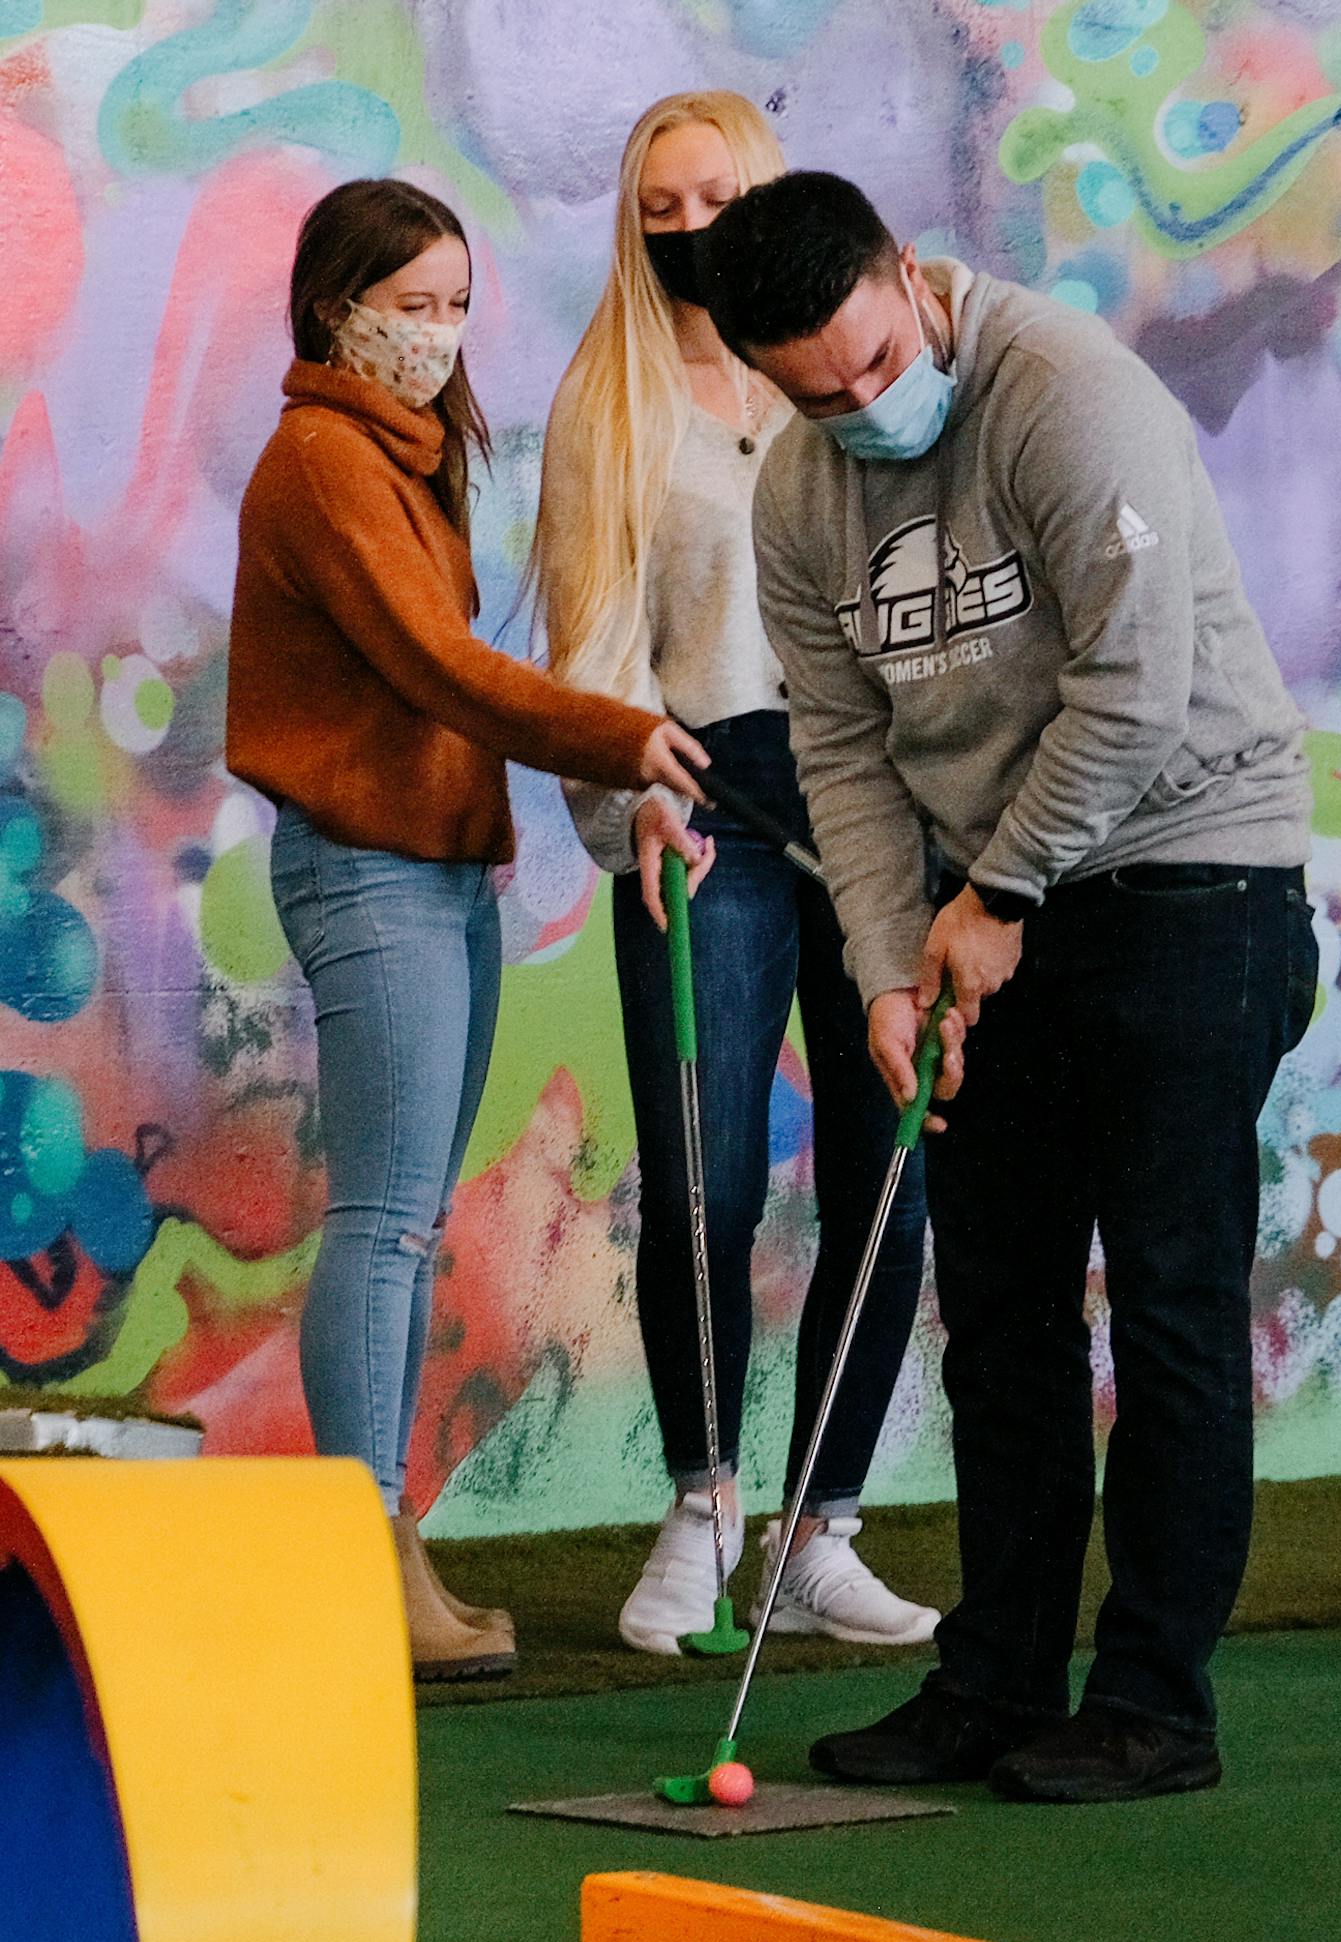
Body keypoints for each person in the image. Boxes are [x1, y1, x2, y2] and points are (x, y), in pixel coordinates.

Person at [698, 171, 1319, 1800]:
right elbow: (838, 747)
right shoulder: (798, 498)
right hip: (989, 907)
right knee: (1005, 1309)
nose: (857, 404)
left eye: (875, 361)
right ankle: (994, 1678)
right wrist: (891, 961)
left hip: (1193, 870)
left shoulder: (1067, 394)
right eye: (812, 391)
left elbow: (1134, 684)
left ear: (912, 276)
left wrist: (999, 894)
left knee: (1171, 1299)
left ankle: (1154, 1701)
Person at [227, 177, 707, 1682]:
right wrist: (626, 734)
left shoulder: (404, 450)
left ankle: (384, 1546)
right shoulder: (322, 460)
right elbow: (438, 669)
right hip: (371, 876)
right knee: (383, 1223)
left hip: (436, 872)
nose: (437, 334)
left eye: (454, 304)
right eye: (410, 304)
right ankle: (363, 1558)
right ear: (334, 307)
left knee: (403, 1220)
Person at [529, 96, 936, 1654]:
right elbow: (592, 653)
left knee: (885, 1182)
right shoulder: (609, 402)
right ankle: (702, 1506)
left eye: (717, 197)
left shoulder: (854, 381)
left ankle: (816, 1530)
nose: (689, 227)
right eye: (660, 208)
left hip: (878, 814)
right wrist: (625, 796)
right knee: (703, 1179)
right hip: (702, 805)